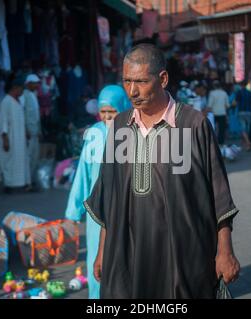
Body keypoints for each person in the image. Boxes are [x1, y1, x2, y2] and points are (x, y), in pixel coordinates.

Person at [85, 44, 240, 298]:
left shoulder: (193, 124)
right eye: (127, 81)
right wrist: (103, 250)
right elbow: (109, 199)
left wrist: (225, 252)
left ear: (163, 79)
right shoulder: (120, 127)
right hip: (128, 256)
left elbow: (219, 196)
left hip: (182, 256)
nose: (132, 91)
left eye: (141, 81)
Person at [65, 85, 131, 299]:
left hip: (128, 207)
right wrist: (73, 212)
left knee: (127, 255)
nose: (107, 117)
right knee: (97, 254)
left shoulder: (134, 132)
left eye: (112, 112)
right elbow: (83, 173)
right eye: (103, 112)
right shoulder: (94, 134)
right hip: (98, 209)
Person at [0, 76, 31, 193]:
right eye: (21, 89)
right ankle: (8, 185)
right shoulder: (6, 101)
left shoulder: (19, 101)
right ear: (15, 88)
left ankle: (21, 184)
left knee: (19, 161)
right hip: (10, 137)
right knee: (9, 162)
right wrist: (5, 139)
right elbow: (3, 121)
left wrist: (25, 131)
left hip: (19, 138)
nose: (22, 91)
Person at [23, 74, 42, 186]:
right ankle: (27, 181)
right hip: (29, 131)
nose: (36, 85)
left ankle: (31, 179)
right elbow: (24, 113)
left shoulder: (33, 95)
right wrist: (25, 130)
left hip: (35, 130)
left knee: (35, 156)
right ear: (29, 83)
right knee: (29, 156)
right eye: (34, 83)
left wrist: (39, 130)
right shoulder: (24, 96)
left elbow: (36, 115)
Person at [208, 80, 229, 145]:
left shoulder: (212, 93)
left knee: (213, 128)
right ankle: (221, 143)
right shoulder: (224, 93)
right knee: (221, 129)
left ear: (214, 86)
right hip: (222, 113)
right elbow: (227, 105)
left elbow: (209, 105)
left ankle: (213, 142)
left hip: (214, 113)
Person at [235, 83, 251, 151]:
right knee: (247, 129)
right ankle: (245, 143)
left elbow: (236, 102)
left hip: (241, 111)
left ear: (241, 85)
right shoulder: (249, 92)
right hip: (249, 112)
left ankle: (248, 142)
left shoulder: (239, 92)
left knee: (243, 128)